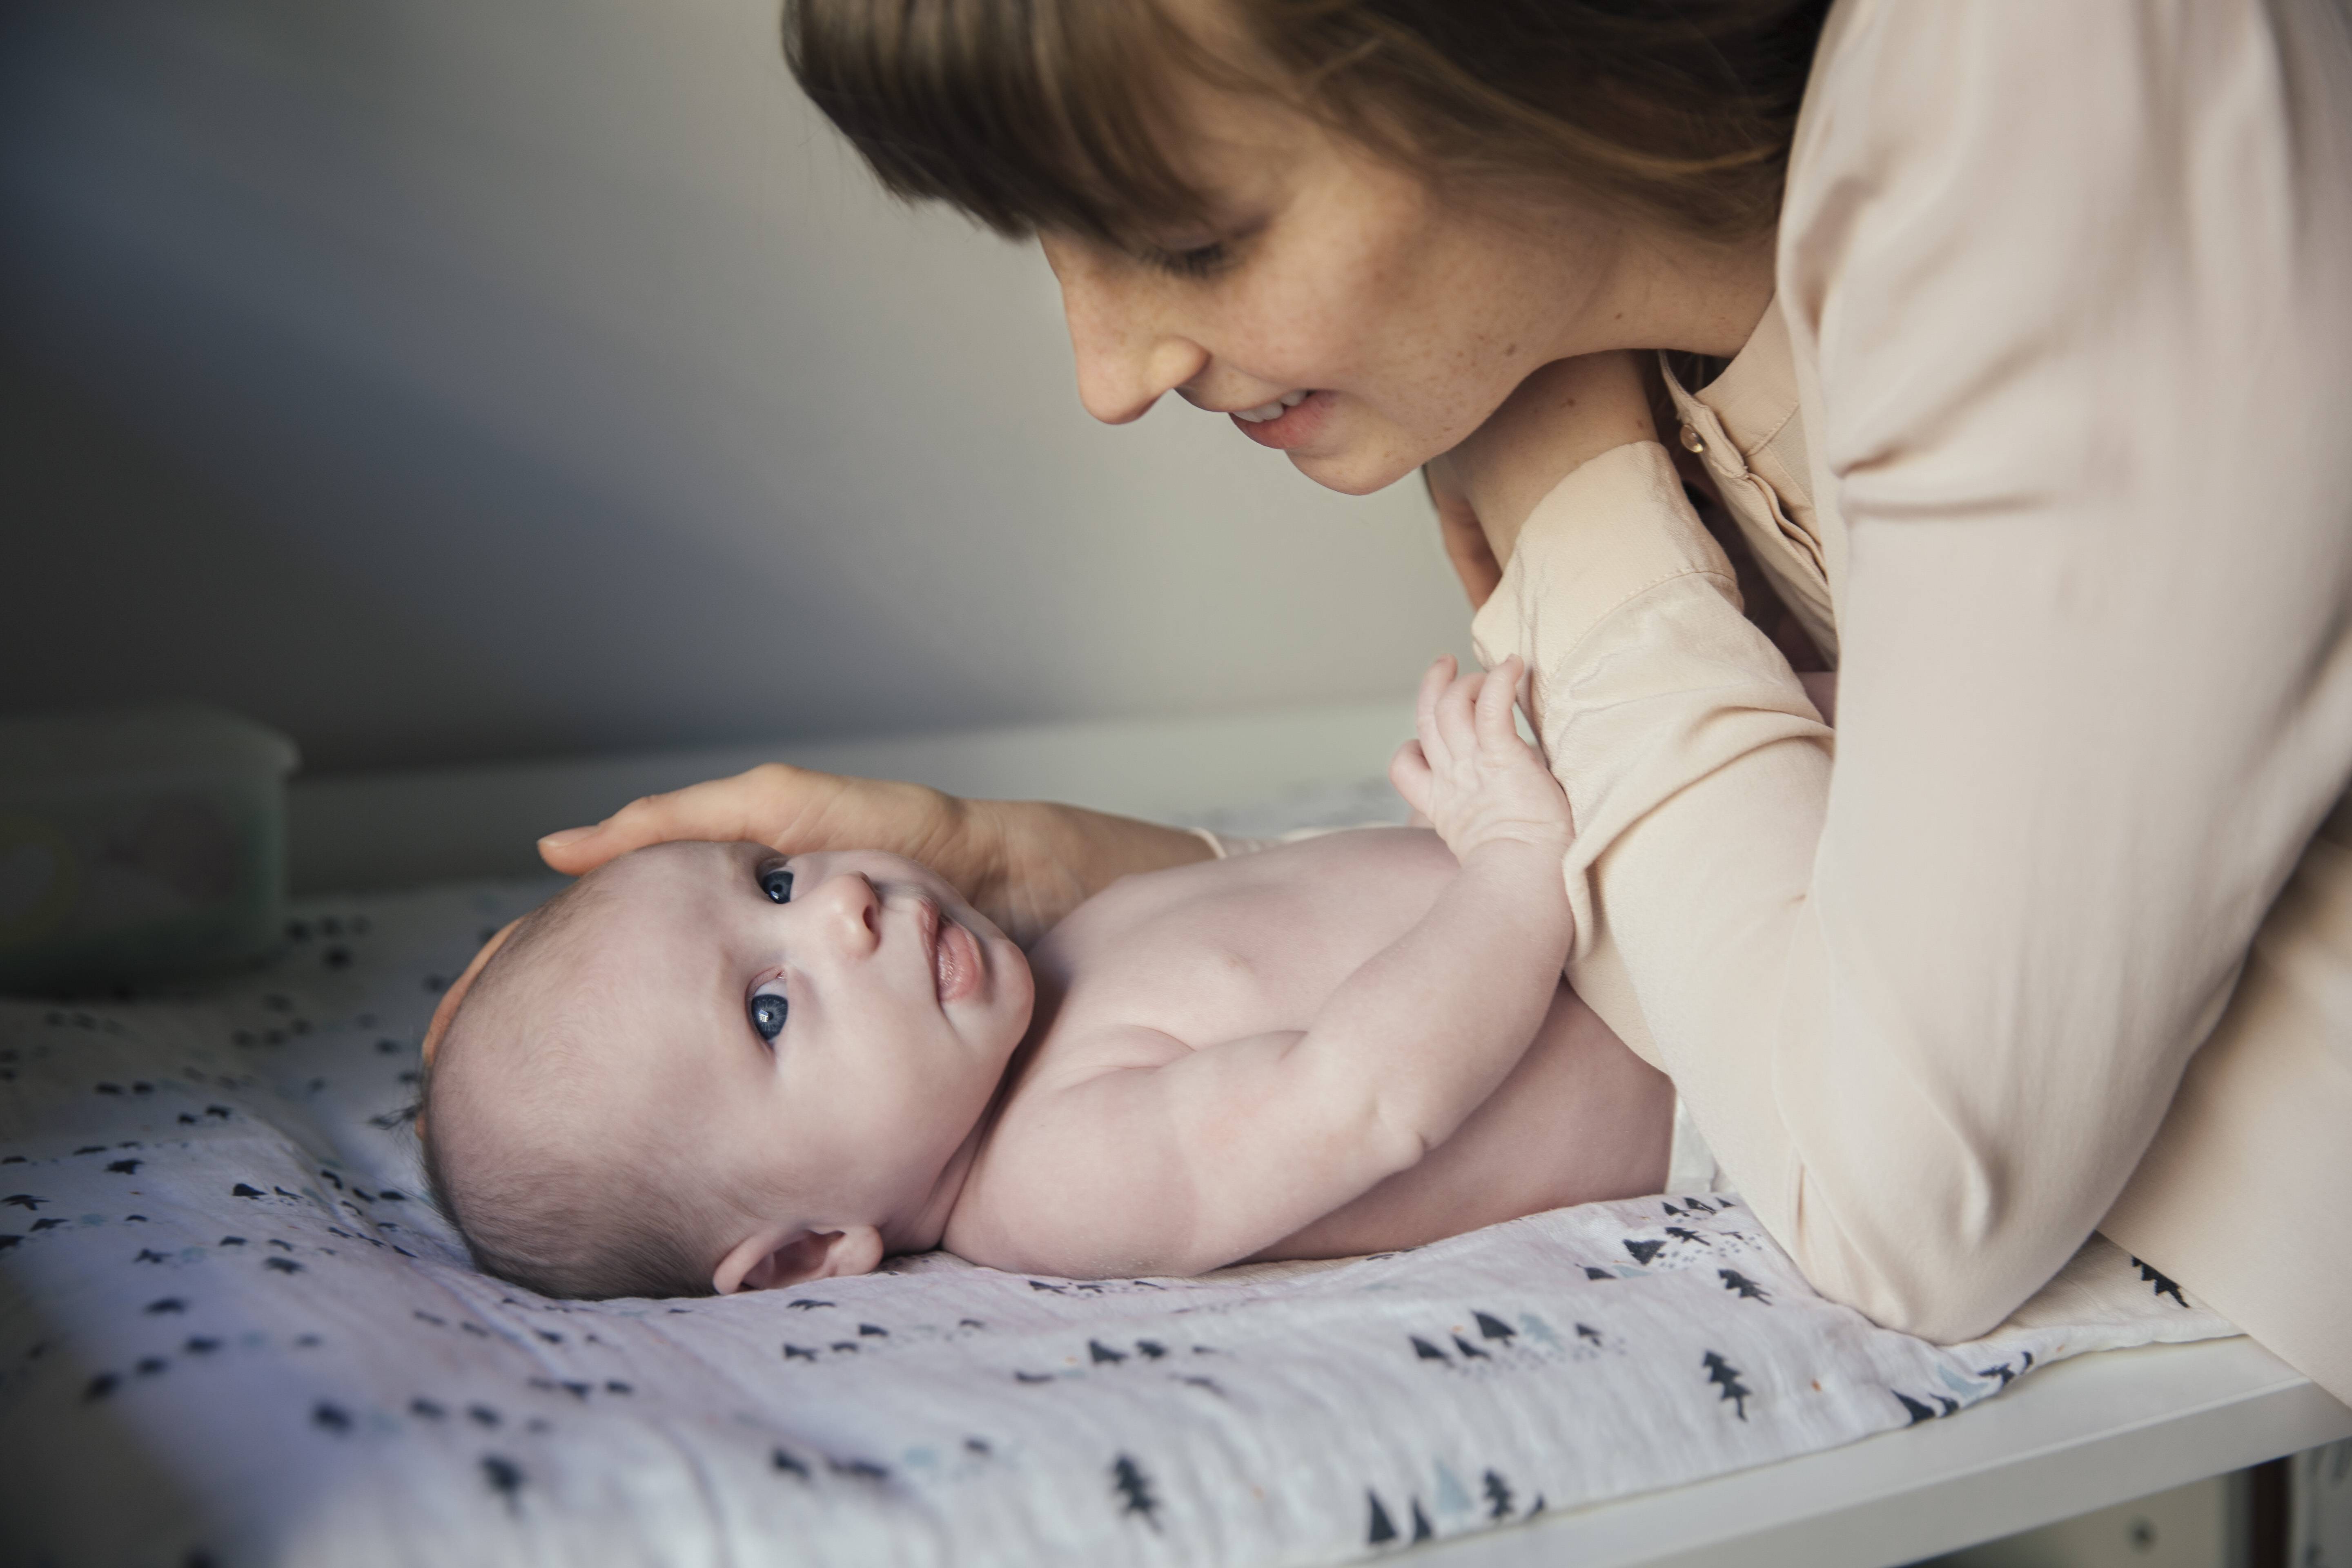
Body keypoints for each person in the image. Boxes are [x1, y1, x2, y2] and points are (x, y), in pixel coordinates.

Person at [531, 1, 2352, 1397]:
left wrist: (1571, 493)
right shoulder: (1600, 327)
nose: (1108, 372)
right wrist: (1076, 877)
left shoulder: (2037, 95)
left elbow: (1905, 1193)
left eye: (1191, 237)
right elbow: (1645, 912)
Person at [421, 658, 1678, 1299]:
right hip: (1681, 1038)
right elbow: (1361, 1098)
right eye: (768, 1009)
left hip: (1612, 896)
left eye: (773, 882)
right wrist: (1513, 865)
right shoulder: (1054, 1180)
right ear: (803, 1255)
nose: (842, 907)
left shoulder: (1031, 981)